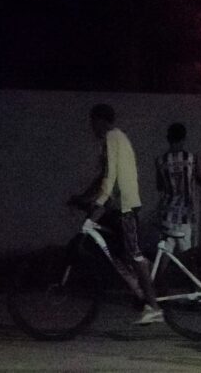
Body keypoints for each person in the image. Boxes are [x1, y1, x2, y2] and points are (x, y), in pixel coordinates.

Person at [79, 104, 163, 325]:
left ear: (100, 121)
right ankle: (139, 289)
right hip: (119, 206)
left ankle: (154, 307)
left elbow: (110, 175)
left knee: (134, 254)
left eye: (93, 122)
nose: (91, 127)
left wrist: (98, 203)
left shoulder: (112, 137)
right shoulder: (115, 139)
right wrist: (84, 197)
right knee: (117, 249)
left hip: (125, 206)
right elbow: (102, 176)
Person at [156, 123, 201, 253]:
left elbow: (159, 186)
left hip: (167, 212)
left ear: (168, 138)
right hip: (185, 214)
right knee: (187, 254)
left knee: (165, 251)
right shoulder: (191, 158)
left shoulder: (160, 160)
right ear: (184, 138)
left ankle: (161, 268)